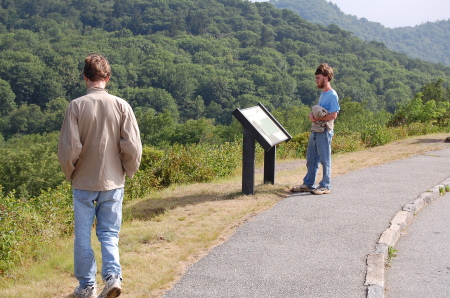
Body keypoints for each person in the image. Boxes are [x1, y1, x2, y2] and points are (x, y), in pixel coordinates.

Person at [58, 54, 142, 298]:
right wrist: (127, 170)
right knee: (109, 233)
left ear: (85, 77)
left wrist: (71, 172)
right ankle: (113, 277)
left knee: (83, 235)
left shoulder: (76, 106)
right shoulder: (121, 105)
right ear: (108, 77)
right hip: (113, 180)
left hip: (83, 180)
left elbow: (69, 148)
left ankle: (87, 286)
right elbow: (133, 146)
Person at [292, 63, 340, 195]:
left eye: (318, 78)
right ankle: (308, 184)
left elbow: (334, 115)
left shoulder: (332, 95)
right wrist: (313, 116)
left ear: (326, 77)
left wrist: (317, 119)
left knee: (325, 159)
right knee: (311, 158)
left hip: (324, 131)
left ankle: (325, 186)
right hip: (316, 130)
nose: (316, 80)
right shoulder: (323, 94)